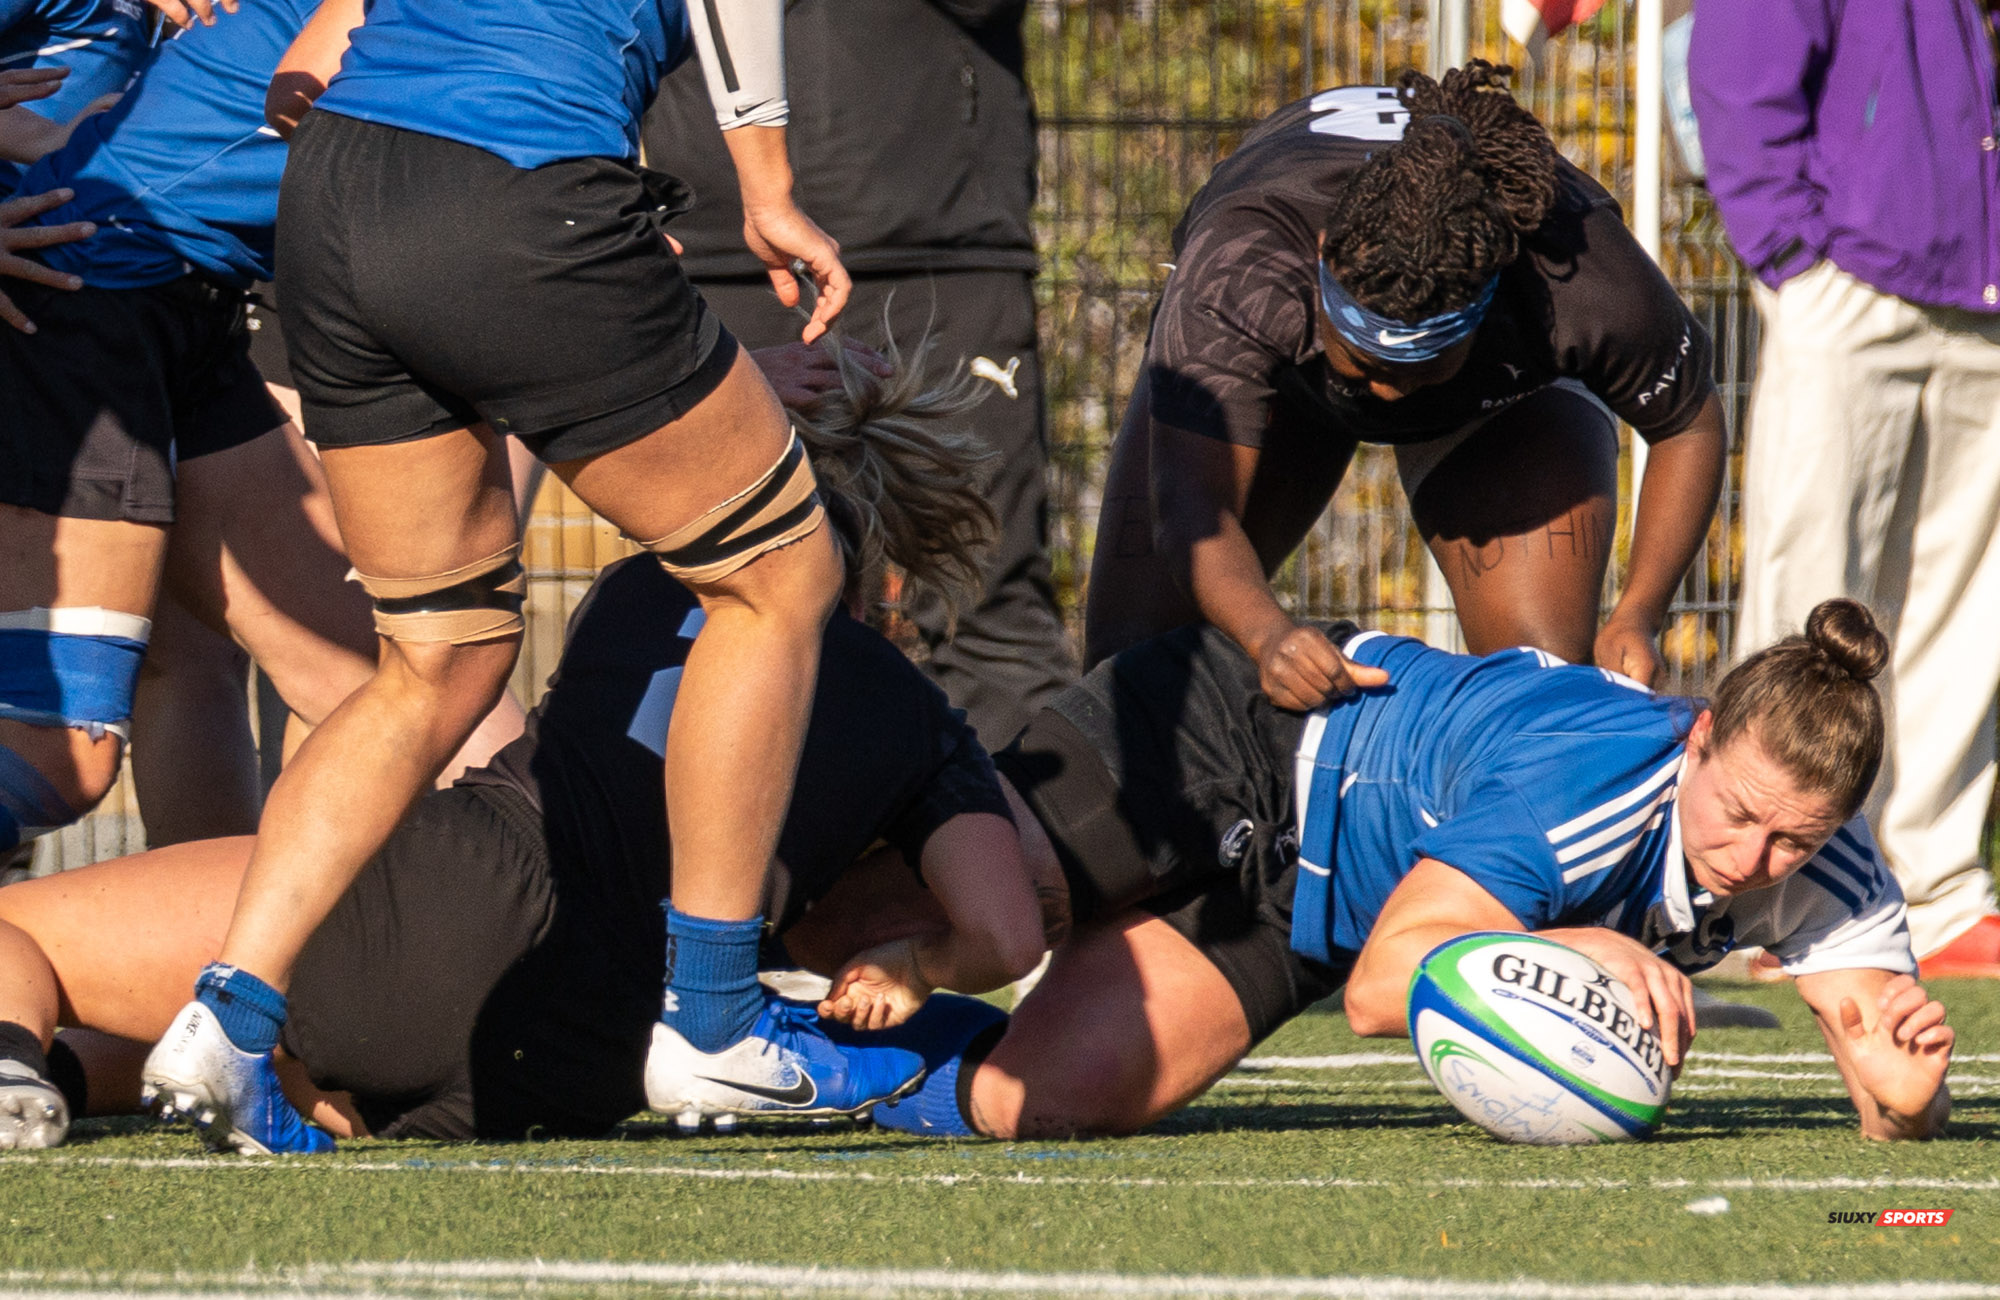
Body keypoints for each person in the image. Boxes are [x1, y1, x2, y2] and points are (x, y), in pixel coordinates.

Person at [0, 347, 1045, 1150]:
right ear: (881, 570)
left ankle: (12, 1068)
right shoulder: (917, 716)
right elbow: (1003, 931)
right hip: (577, 1059)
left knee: (20, 933)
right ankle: (62, 1066)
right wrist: (919, 964)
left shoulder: (645, 586)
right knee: (182, 1034)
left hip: (453, 901)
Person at [849, 598, 1952, 1143]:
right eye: (1741, 814)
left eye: (1795, 841)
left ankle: (823, 1061)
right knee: (962, 907)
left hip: (1308, 903)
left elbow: (1876, 1068)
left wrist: (1903, 1109)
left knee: (1025, 1102)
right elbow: (1387, 993)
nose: (1751, 861)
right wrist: (1584, 942)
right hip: (1243, 732)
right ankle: (716, 967)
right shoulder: (1581, 790)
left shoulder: (1832, 864)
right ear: (1695, 738)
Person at [1083, 62, 1727, 709]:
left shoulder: (1579, 271)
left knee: (1543, 682)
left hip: (1493, 397)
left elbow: (1689, 425)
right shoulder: (1240, 267)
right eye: (1361, 363)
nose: (1384, 396)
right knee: (1130, 665)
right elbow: (1193, 513)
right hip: (1289, 383)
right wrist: (1267, 633)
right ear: (1323, 255)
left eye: (1414, 370)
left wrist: (1638, 612)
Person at [645, 0, 1073, 746]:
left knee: (986, 608)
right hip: (716, 252)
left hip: (936, 248)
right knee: (709, 601)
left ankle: (1024, 853)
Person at [1690, 0, 2000, 980]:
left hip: (1982, 285)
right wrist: (1787, 250)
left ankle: (1940, 893)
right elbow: (1738, 66)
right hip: (1847, 276)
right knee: (1808, 587)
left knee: (1969, 605)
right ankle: (1764, 906)